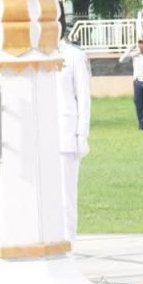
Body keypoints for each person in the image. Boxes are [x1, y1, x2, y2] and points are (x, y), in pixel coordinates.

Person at [57, 20, 91, 242]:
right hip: (42, 137)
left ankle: (68, 244)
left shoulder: (73, 56)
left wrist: (81, 134)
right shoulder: (36, 56)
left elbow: (83, 97)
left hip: (67, 134)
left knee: (66, 197)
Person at [120, 37, 143, 130]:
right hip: (137, 82)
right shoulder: (135, 54)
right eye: (139, 42)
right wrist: (130, 49)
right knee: (138, 103)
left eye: (142, 42)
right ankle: (141, 123)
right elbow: (122, 60)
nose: (140, 44)